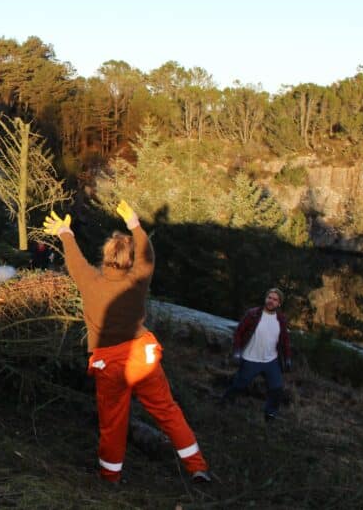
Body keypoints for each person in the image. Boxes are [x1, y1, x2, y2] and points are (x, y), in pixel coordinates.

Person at [43, 201, 211, 484]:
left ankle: (110, 476)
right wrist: (134, 223)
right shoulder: (137, 281)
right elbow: (149, 258)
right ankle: (198, 467)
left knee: (113, 421)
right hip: (141, 358)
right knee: (168, 411)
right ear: (129, 261)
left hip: (110, 364)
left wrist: (64, 232)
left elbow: (75, 260)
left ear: (106, 256)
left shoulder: (90, 281)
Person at [221, 288, 293, 422]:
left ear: (279, 303)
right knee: (239, 385)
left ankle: (270, 414)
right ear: (266, 298)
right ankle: (225, 402)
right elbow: (239, 333)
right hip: (250, 359)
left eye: (275, 299)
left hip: (271, 361)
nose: (271, 301)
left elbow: (285, 340)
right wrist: (237, 351)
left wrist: (288, 358)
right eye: (269, 297)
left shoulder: (281, 320)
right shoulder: (253, 314)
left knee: (276, 387)